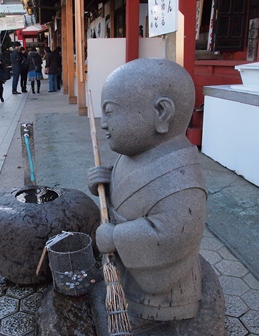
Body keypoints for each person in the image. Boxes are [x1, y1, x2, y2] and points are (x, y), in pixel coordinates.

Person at [87, 58, 207, 330]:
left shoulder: (182, 179)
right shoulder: (135, 154)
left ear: (161, 114)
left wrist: (115, 235)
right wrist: (103, 184)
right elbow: (125, 194)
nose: (103, 124)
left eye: (110, 112)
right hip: (129, 266)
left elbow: (172, 236)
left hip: (160, 289)